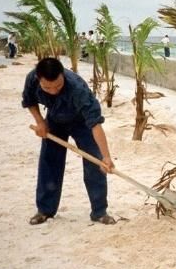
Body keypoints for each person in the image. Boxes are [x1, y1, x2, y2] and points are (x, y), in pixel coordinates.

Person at [22, 57, 116, 225]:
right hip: (54, 120)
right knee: (49, 163)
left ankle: (99, 211)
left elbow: (95, 125)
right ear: (38, 78)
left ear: (62, 75)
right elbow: (29, 102)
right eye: (47, 87)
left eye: (58, 86)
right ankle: (45, 210)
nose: (53, 91)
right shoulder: (31, 79)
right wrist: (40, 122)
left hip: (82, 123)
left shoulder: (77, 89)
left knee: (95, 163)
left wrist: (106, 157)